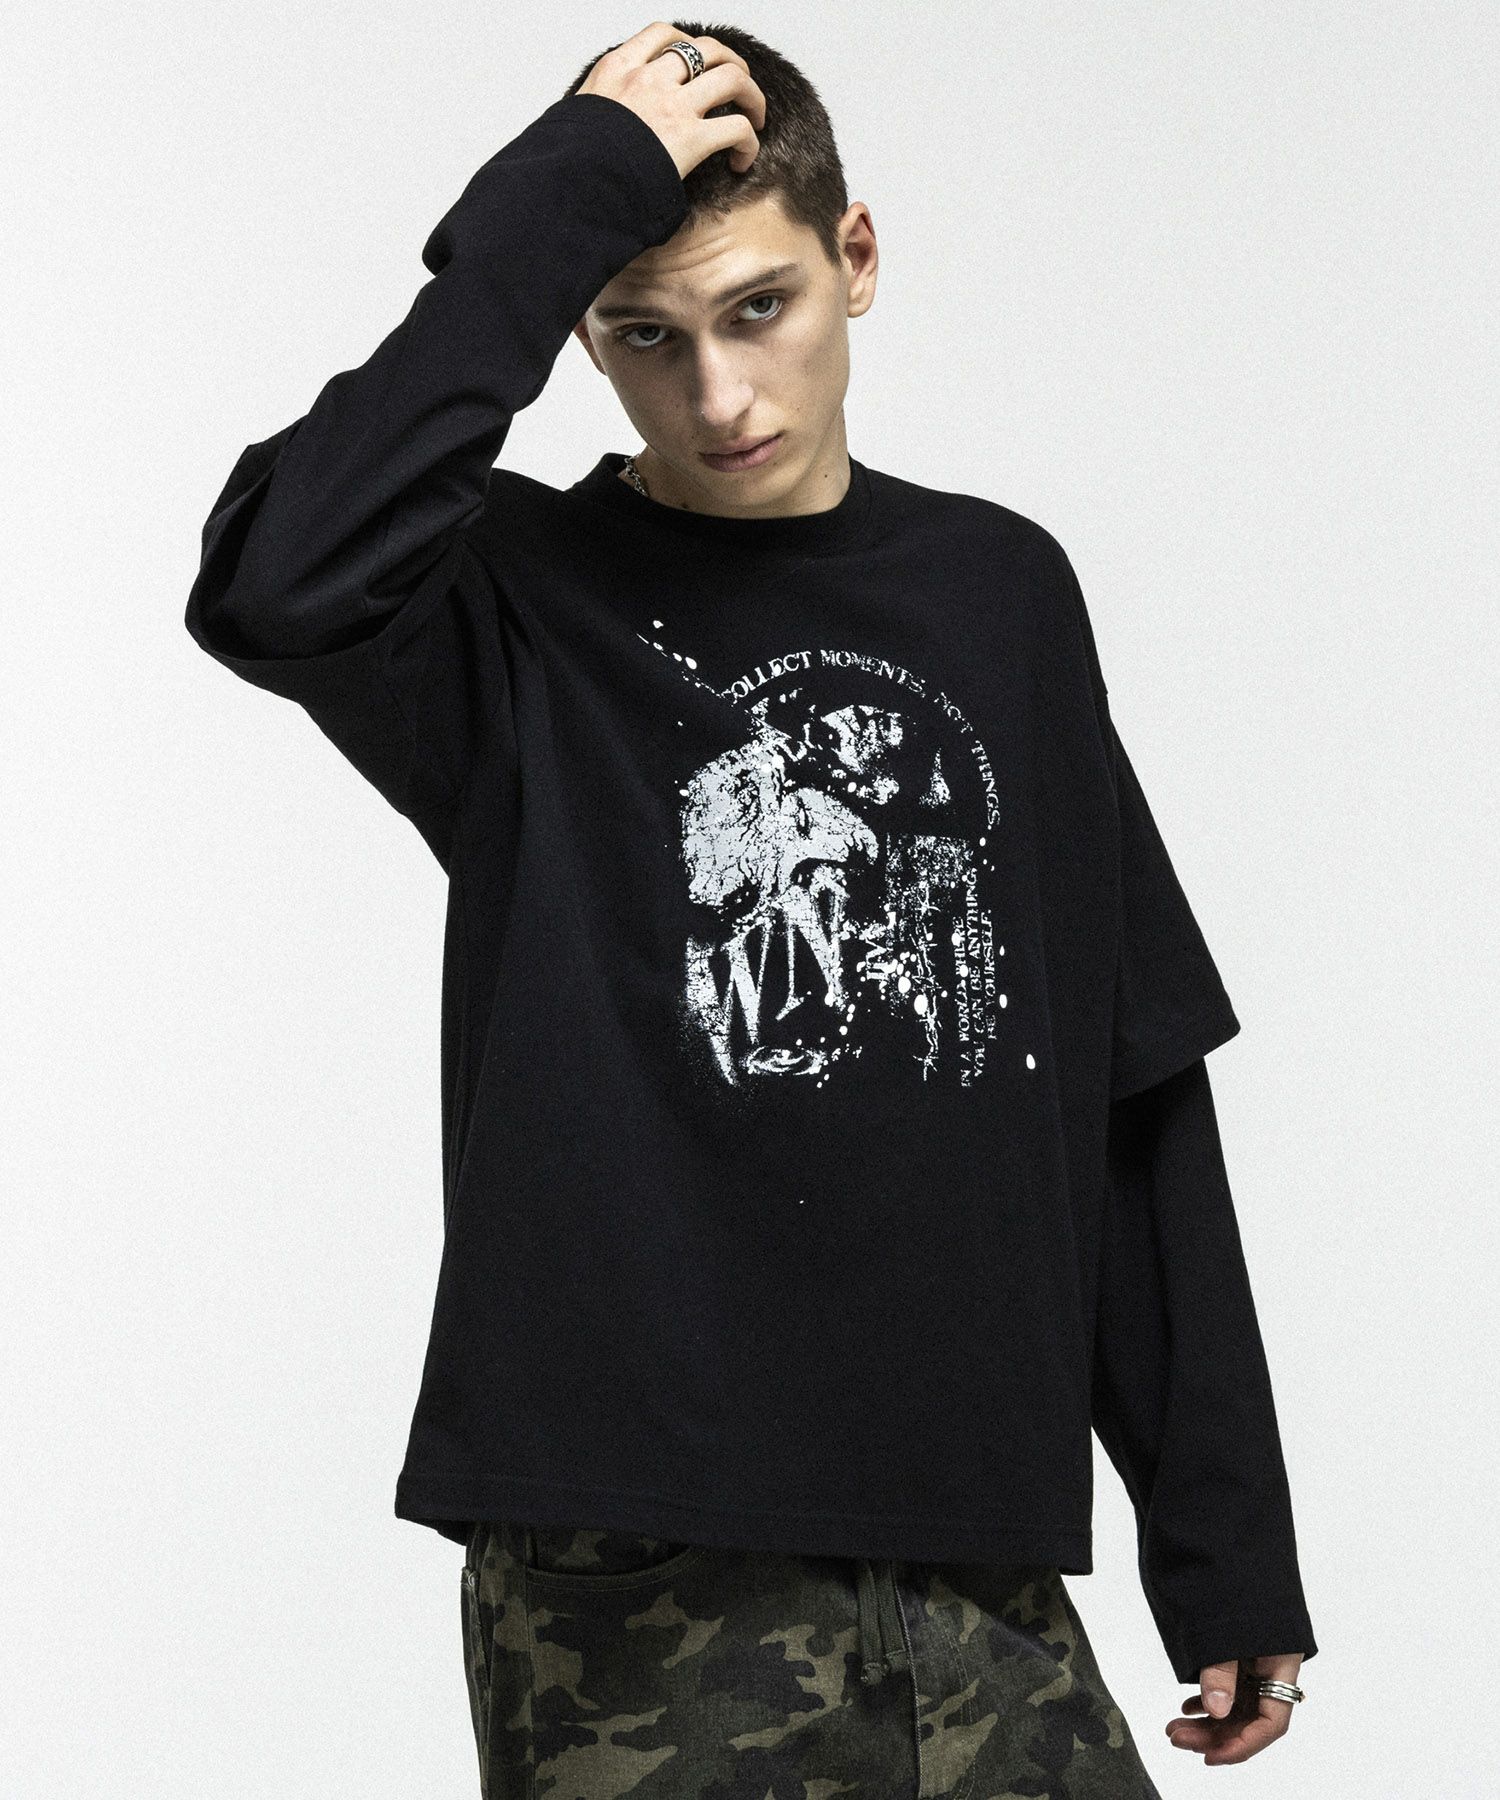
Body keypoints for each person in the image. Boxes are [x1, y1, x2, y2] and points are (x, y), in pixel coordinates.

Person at [184, 19, 1317, 1796]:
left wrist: (1224, 1542)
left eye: (759, 308)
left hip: (976, 1556)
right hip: (641, 1564)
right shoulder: (517, 602)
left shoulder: (1001, 593)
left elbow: (1125, 1076)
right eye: (644, 333)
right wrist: (560, 197)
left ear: (856, 258)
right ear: (580, 329)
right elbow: (278, 579)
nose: (718, 397)